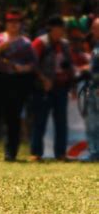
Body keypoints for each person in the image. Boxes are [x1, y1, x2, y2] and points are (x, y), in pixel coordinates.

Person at [0, 10, 36, 161]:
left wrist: (23, 68)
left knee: (13, 118)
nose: (13, 24)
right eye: (11, 22)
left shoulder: (26, 43)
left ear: (20, 24)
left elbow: (34, 63)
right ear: (6, 23)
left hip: (16, 82)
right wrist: (0, 48)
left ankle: (11, 153)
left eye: (16, 22)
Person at [30, 15, 74, 161]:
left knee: (61, 122)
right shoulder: (40, 43)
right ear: (51, 29)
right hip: (43, 88)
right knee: (40, 121)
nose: (60, 31)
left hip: (61, 87)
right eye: (58, 28)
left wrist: (72, 86)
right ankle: (36, 153)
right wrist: (44, 79)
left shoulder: (65, 44)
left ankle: (60, 153)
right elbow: (33, 64)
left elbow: (70, 66)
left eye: (62, 29)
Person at [84, 17, 99, 160]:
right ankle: (94, 153)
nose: (93, 31)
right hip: (93, 89)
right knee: (92, 123)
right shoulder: (96, 46)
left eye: (95, 28)